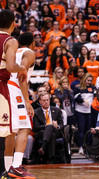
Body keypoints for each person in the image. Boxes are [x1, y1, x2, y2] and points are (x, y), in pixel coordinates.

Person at [0, 10, 28, 177]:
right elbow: (11, 66)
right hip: (1, 87)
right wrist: (22, 68)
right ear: (13, 24)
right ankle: (2, 172)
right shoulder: (10, 40)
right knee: (3, 131)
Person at [4, 32, 35, 178]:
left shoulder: (13, 50)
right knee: (25, 127)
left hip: (4, 87)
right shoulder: (29, 52)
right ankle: (16, 166)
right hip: (14, 88)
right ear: (32, 42)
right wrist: (27, 101)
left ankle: (7, 167)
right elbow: (22, 76)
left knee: (11, 129)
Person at [33, 93, 64, 162]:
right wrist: (46, 126)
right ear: (40, 101)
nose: (46, 102)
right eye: (44, 100)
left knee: (52, 130)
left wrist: (57, 126)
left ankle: (43, 148)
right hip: (42, 133)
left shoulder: (56, 110)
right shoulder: (36, 112)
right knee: (51, 133)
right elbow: (36, 127)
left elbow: (62, 125)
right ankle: (51, 158)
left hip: (56, 131)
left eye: (47, 100)